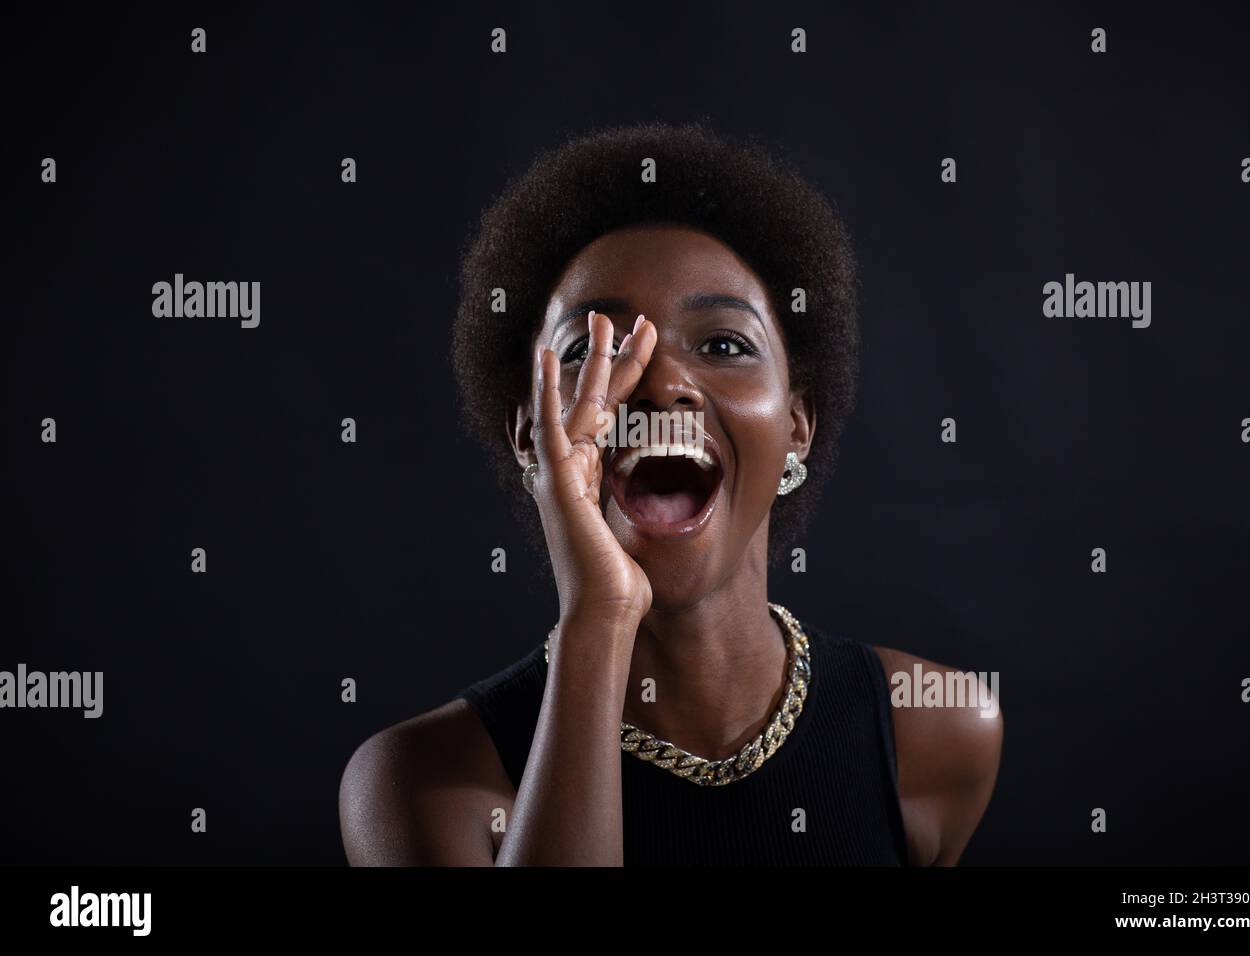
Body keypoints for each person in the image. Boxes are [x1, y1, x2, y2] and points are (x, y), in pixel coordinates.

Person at [339, 121, 1002, 866]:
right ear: (532, 438)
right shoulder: (424, 784)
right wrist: (600, 617)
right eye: (591, 351)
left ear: (796, 427)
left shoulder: (936, 732)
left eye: (723, 344)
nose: (660, 383)